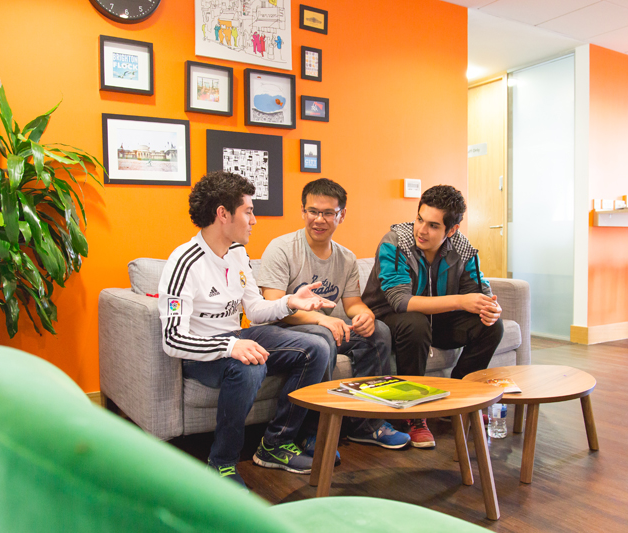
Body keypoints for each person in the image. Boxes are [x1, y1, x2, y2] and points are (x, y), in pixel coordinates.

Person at [157, 171, 331, 488]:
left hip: (236, 339)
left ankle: (275, 445)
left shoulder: (238, 253)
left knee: (315, 349)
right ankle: (221, 462)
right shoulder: (184, 263)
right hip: (203, 353)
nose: (254, 220)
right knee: (250, 369)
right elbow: (172, 339)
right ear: (223, 214)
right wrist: (228, 348)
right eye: (248, 211)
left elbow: (256, 310)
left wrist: (291, 302)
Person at [258, 179, 410, 455]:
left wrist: (364, 316)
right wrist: (321, 319)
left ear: (341, 215)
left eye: (328, 212)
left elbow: (352, 304)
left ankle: (366, 423)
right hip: (283, 332)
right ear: (303, 211)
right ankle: (313, 431)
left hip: (325, 329)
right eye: (313, 211)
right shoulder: (281, 249)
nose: (319, 219)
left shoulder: (346, 258)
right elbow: (272, 305)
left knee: (379, 332)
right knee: (323, 337)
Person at [361, 185, 504, 449]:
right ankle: (415, 416)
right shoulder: (394, 242)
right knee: (415, 323)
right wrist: (461, 301)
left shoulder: (462, 248)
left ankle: (459, 398)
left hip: (438, 319)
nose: (422, 230)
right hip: (390, 319)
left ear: (451, 230)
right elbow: (400, 301)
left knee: (490, 326)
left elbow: (479, 290)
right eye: (419, 219)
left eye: (433, 226)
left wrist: (490, 308)